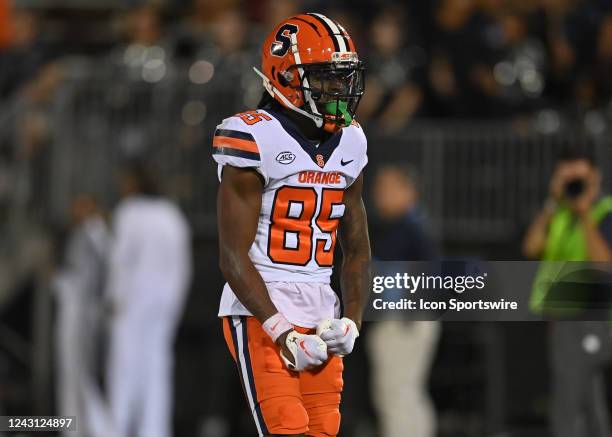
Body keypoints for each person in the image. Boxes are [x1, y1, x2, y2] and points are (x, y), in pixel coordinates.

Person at [212, 13, 370, 437]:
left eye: (343, 78)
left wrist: (352, 320)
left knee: (324, 430)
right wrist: (281, 333)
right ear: (284, 78)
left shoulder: (352, 140)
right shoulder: (253, 137)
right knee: (288, 428)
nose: (338, 90)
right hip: (261, 307)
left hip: (321, 308)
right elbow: (231, 256)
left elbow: (356, 249)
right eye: (324, 79)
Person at [523, 145, 612, 437]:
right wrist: (552, 203)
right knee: (586, 399)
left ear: (595, 178)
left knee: (568, 406)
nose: (574, 186)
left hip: (592, 320)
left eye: (579, 179)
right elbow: (531, 247)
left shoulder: (605, 212)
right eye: (567, 178)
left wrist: (585, 214)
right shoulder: (558, 213)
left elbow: (604, 264)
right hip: (565, 319)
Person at [105, 160, 192, 437]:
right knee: (157, 367)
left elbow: (120, 260)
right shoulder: (171, 215)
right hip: (164, 302)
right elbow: (182, 266)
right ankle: (154, 430)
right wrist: (175, 305)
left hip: (133, 299)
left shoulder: (129, 212)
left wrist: (114, 297)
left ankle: (117, 427)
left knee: (125, 365)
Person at [367, 164, 440, 437]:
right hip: (412, 320)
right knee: (408, 392)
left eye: (388, 188)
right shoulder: (411, 225)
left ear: (409, 191)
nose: (379, 194)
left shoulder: (408, 227)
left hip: (404, 321)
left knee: (396, 393)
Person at [53, 194, 110, 437]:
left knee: (76, 374)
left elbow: (84, 280)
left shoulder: (91, 233)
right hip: (85, 313)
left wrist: (56, 281)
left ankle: (90, 428)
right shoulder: (98, 235)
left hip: (80, 314)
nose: (73, 210)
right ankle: (78, 428)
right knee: (76, 374)